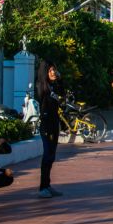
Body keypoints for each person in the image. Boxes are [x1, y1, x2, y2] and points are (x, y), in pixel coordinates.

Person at [36, 60, 64, 198]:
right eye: (50, 70)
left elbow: (62, 96)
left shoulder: (55, 86)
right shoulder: (41, 86)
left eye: (54, 70)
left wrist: (59, 79)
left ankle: (47, 185)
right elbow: (43, 97)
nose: (53, 72)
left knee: (52, 156)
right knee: (47, 155)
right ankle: (42, 187)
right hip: (46, 124)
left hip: (54, 123)